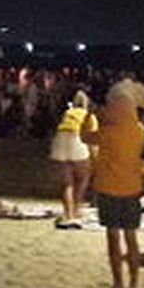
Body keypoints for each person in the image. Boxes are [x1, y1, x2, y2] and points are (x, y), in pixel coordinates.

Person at [83, 79, 144, 288]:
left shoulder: (108, 132)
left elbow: (85, 137)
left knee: (113, 239)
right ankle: (134, 285)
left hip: (109, 188)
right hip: (132, 188)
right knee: (132, 239)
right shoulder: (140, 129)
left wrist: (89, 116)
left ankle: (118, 285)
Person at [51, 90, 98, 228]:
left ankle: (68, 214)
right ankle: (76, 210)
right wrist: (94, 159)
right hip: (76, 140)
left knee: (67, 183)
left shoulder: (67, 114)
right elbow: (92, 139)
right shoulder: (89, 116)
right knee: (83, 178)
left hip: (60, 139)